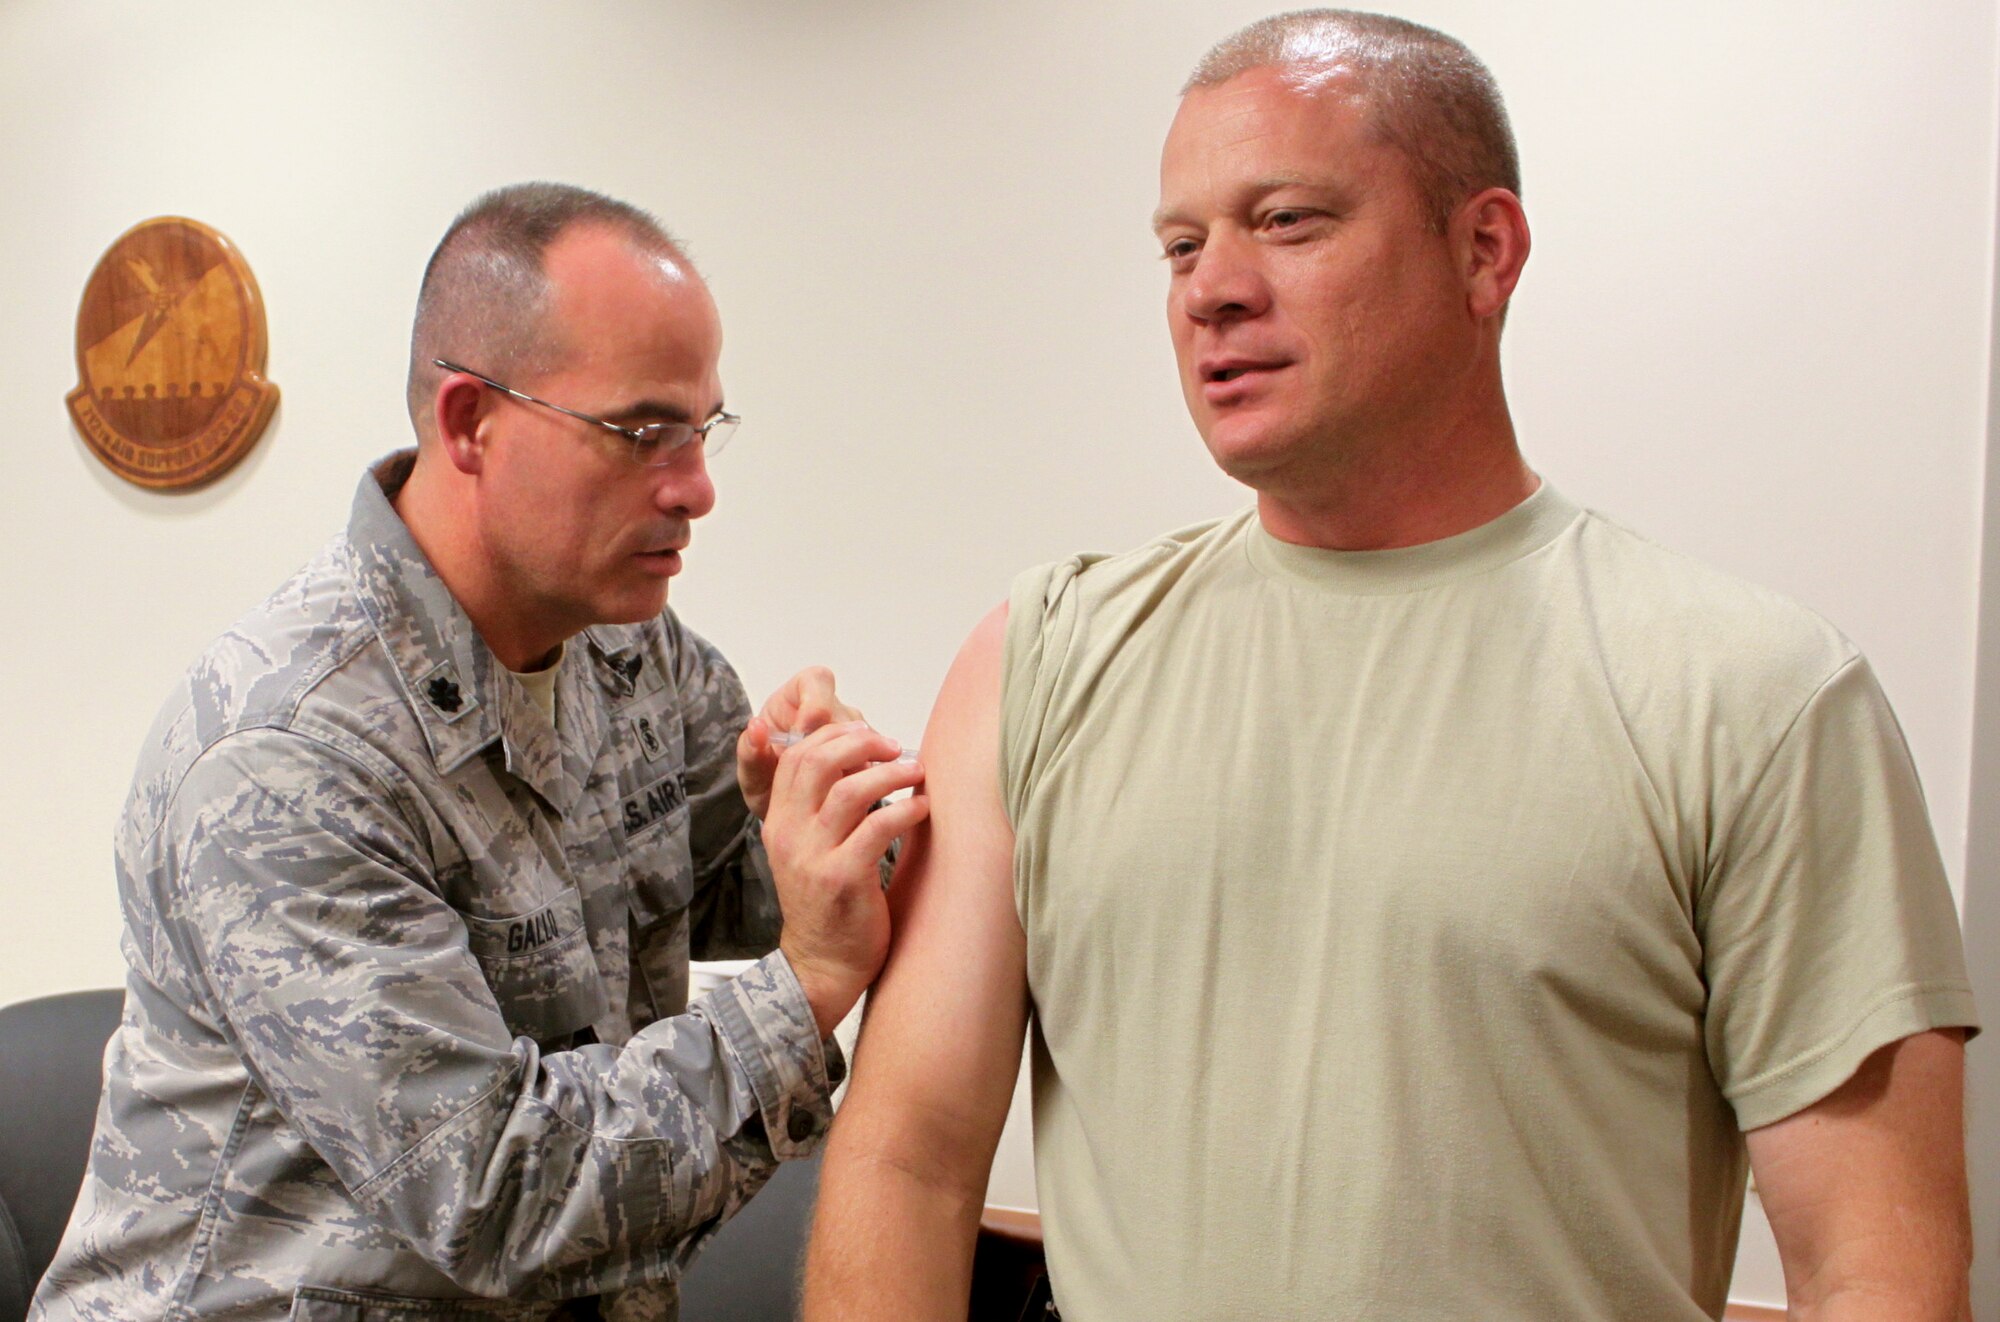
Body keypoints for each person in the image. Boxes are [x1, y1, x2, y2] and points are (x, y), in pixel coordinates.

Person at [804, 11, 1978, 1320]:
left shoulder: (1755, 695)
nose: (1210, 288)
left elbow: (1876, 1266)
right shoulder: (1039, 659)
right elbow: (909, 1159)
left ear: (1484, 251)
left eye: (1287, 222)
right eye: (1181, 245)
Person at [32, 183, 924, 1321]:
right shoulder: (283, 756)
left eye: (704, 430)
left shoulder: (629, 651)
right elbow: (500, 1196)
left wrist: (808, 813)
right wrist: (805, 989)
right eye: (643, 433)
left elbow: (724, 889)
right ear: (468, 423)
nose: (696, 488)